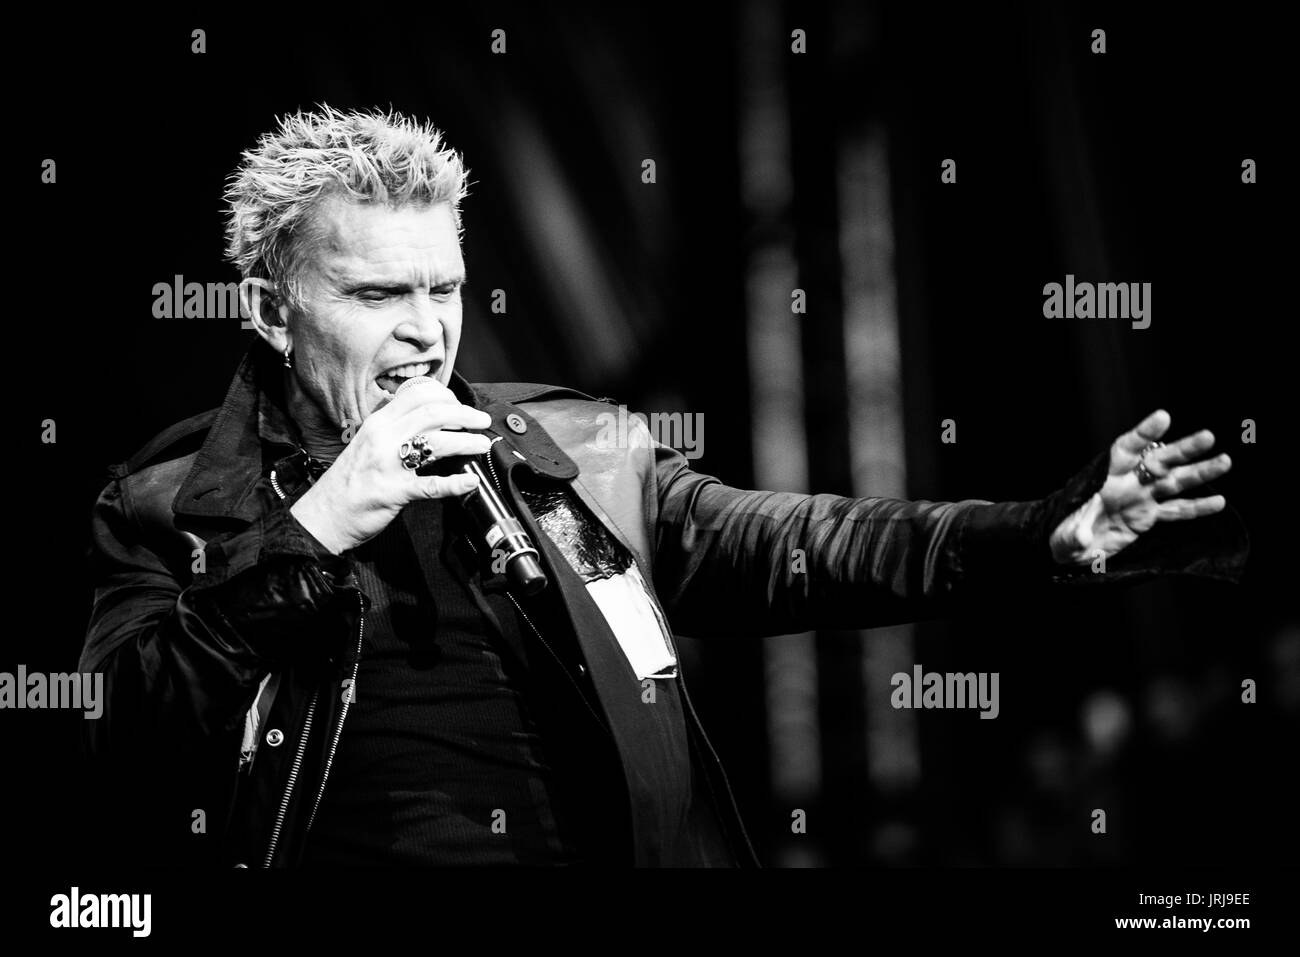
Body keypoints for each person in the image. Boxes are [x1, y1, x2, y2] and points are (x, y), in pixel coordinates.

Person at [80, 106, 1247, 868]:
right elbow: (126, 729)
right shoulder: (170, 503)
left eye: (443, 289)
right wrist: (317, 524)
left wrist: (1039, 534)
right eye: (377, 297)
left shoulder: (560, 454)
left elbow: (794, 542)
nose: (426, 333)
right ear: (272, 312)